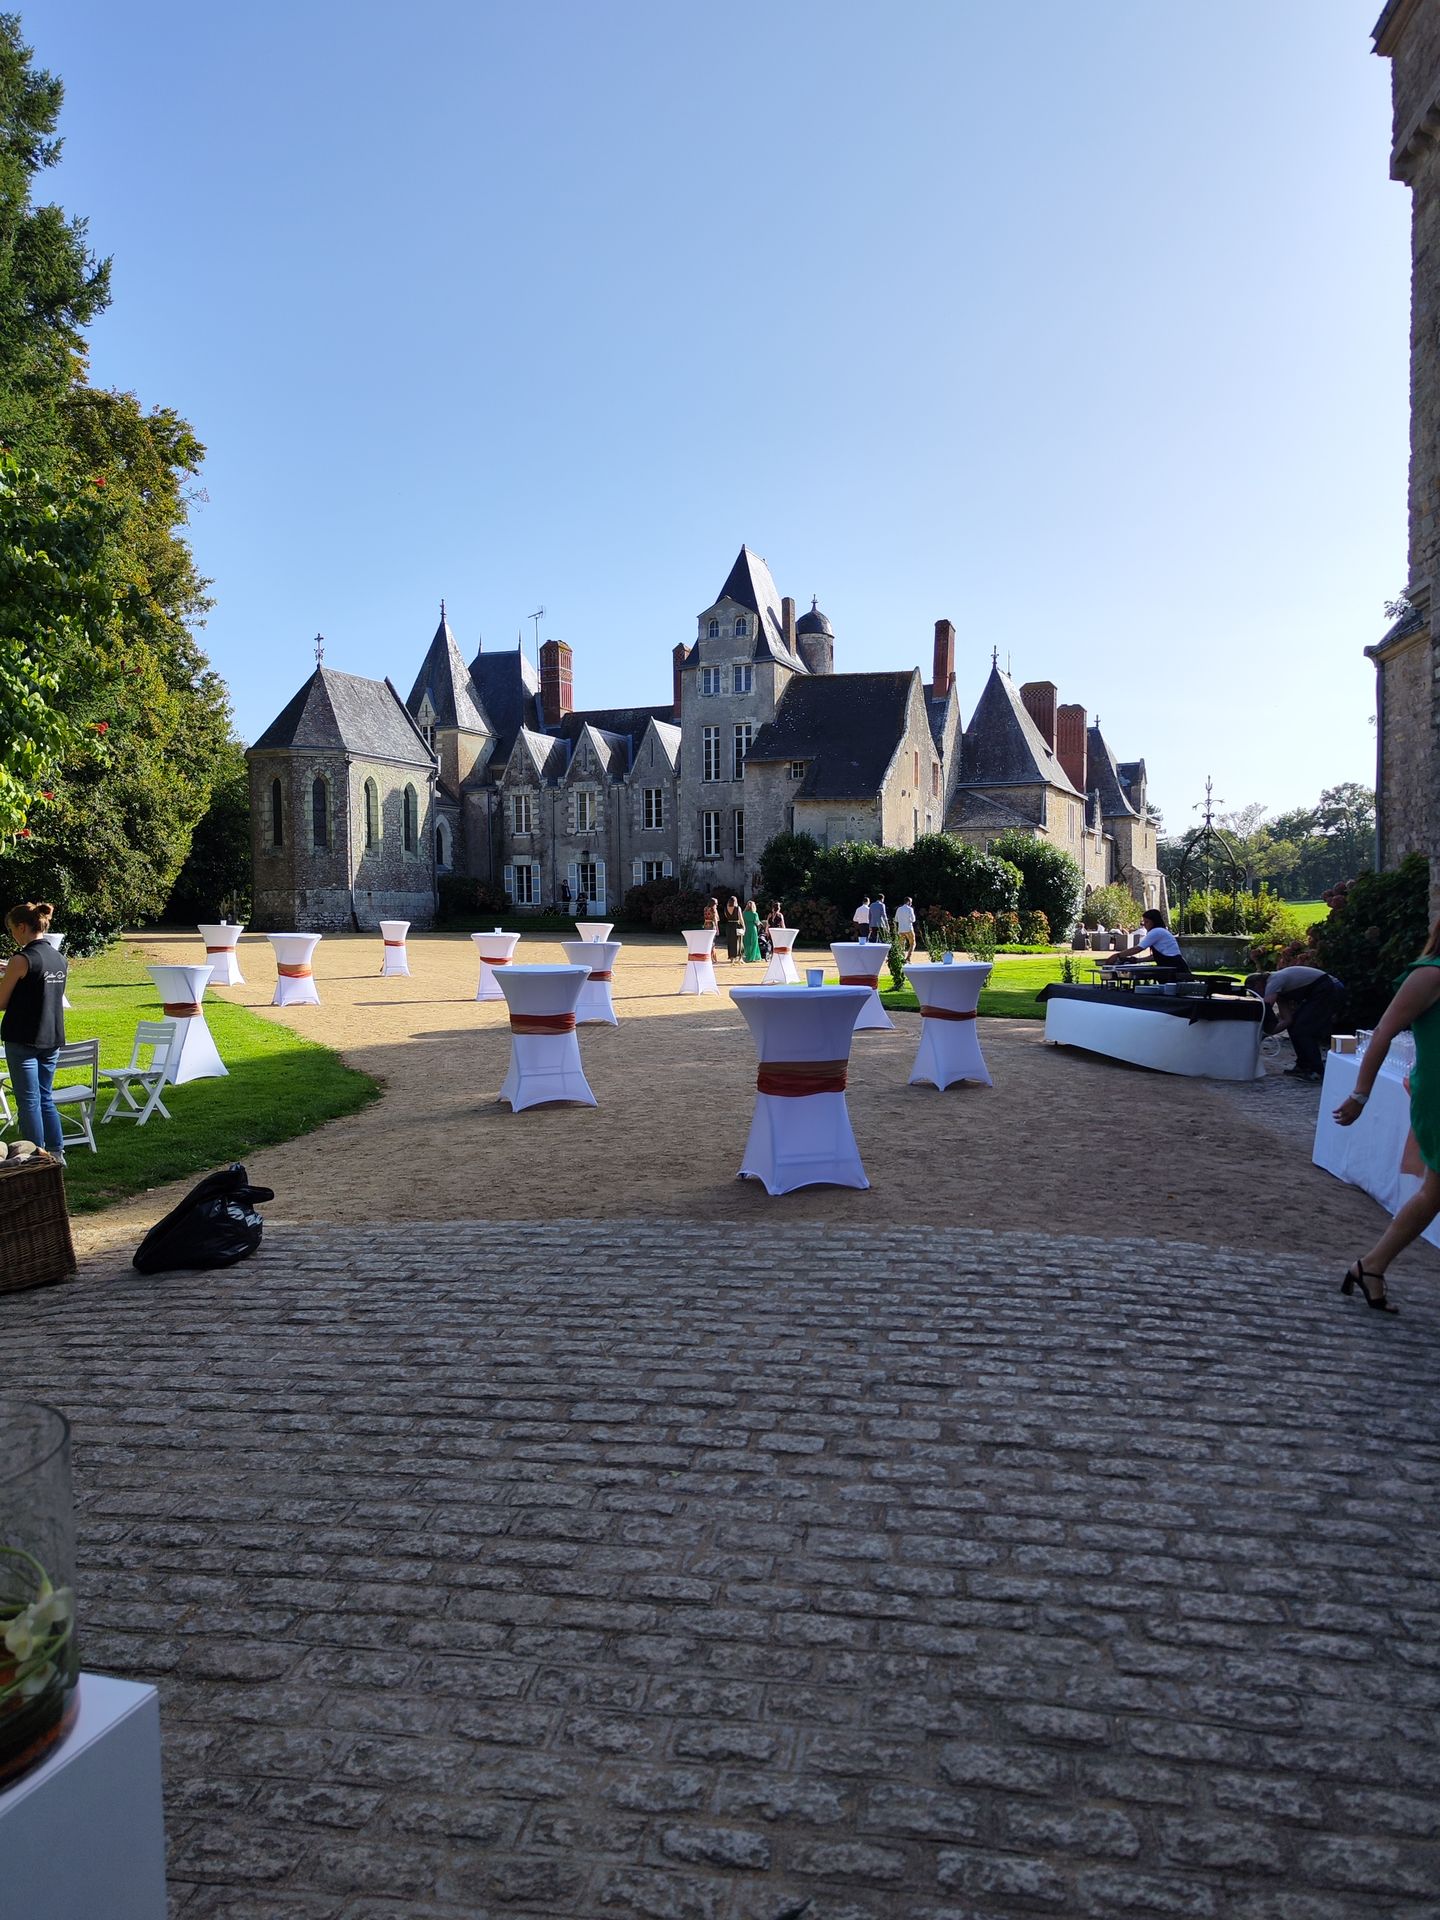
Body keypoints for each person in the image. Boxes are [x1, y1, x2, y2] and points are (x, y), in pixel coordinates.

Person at [1332, 919, 1440, 1312]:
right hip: (1438, 1095)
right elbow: (1383, 1033)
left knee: (1434, 1194)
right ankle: (1371, 1266)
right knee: (1434, 1191)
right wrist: (1360, 1095)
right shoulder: (1429, 975)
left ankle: (1372, 1266)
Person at [0, 900, 68, 1162]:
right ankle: (56, 1152)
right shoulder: (59, 958)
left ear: (22, 927)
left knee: (28, 1101)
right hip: (51, 1036)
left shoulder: (21, 959)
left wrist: (7, 975)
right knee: (45, 1097)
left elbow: (2, 1001)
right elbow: (41, 991)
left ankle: (36, 1157)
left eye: (12, 931)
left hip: (23, 1037)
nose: (13, 937)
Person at [1247, 964, 1345, 1080]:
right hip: (1320, 990)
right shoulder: (1280, 991)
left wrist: (1256, 1030)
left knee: (1303, 1030)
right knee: (1295, 1026)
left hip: (1327, 988)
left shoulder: (1274, 981)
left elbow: (1265, 1009)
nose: (1257, 996)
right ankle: (1303, 1066)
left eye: (1255, 992)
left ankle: (1316, 1070)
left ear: (1258, 984)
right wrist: (1264, 1034)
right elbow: (1287, 1020)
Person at [1100, 909, 1192, 979]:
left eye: (1147, 922)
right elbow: (1157, 956)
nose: (1144, 924)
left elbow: (1138, 948)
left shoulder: (1156, 931)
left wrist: (1118, 955)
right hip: (1175, 965)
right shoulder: (1162, 931)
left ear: (1154, 922)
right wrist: (1137, 960)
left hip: (1173, 968)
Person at [722, 894, 743, 963]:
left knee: (730, 942)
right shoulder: (737, 908)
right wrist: (744, 926)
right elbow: (740, 918)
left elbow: (726, 916)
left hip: (729, 925)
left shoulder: (726, 908)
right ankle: (738, 958)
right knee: (738, 941)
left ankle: (732, 958)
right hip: (736, 925)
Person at [742, 899, 762, 964]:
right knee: (754, 943)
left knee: (746, 943)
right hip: (753, 929)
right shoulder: (755, 914)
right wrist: (761, 924)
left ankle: (747, 956)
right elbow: (757, 922)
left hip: (746, 928)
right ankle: (753, 957)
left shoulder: (744, 913)